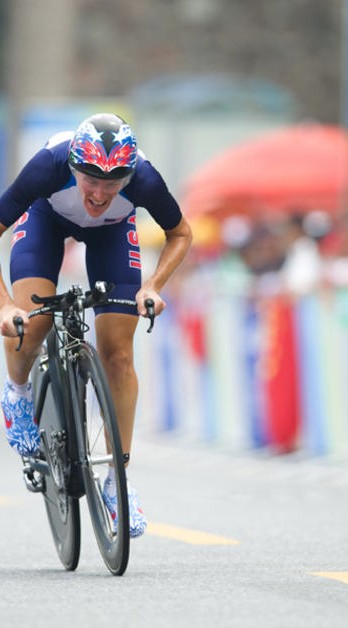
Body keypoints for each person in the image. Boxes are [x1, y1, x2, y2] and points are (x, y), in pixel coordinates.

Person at [0, 113, 192, 537]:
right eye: (90, 181)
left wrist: (154, 286)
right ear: (73, 167)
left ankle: (117, 481)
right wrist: (4, 304)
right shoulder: (49, 164)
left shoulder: (143, 179)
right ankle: (15, 391)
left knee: (119, 355)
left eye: (113, 184)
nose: (100, 193)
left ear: (128, 176)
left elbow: (181, 233)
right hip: (46, 221)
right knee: (34, 323)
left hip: (112, 234)